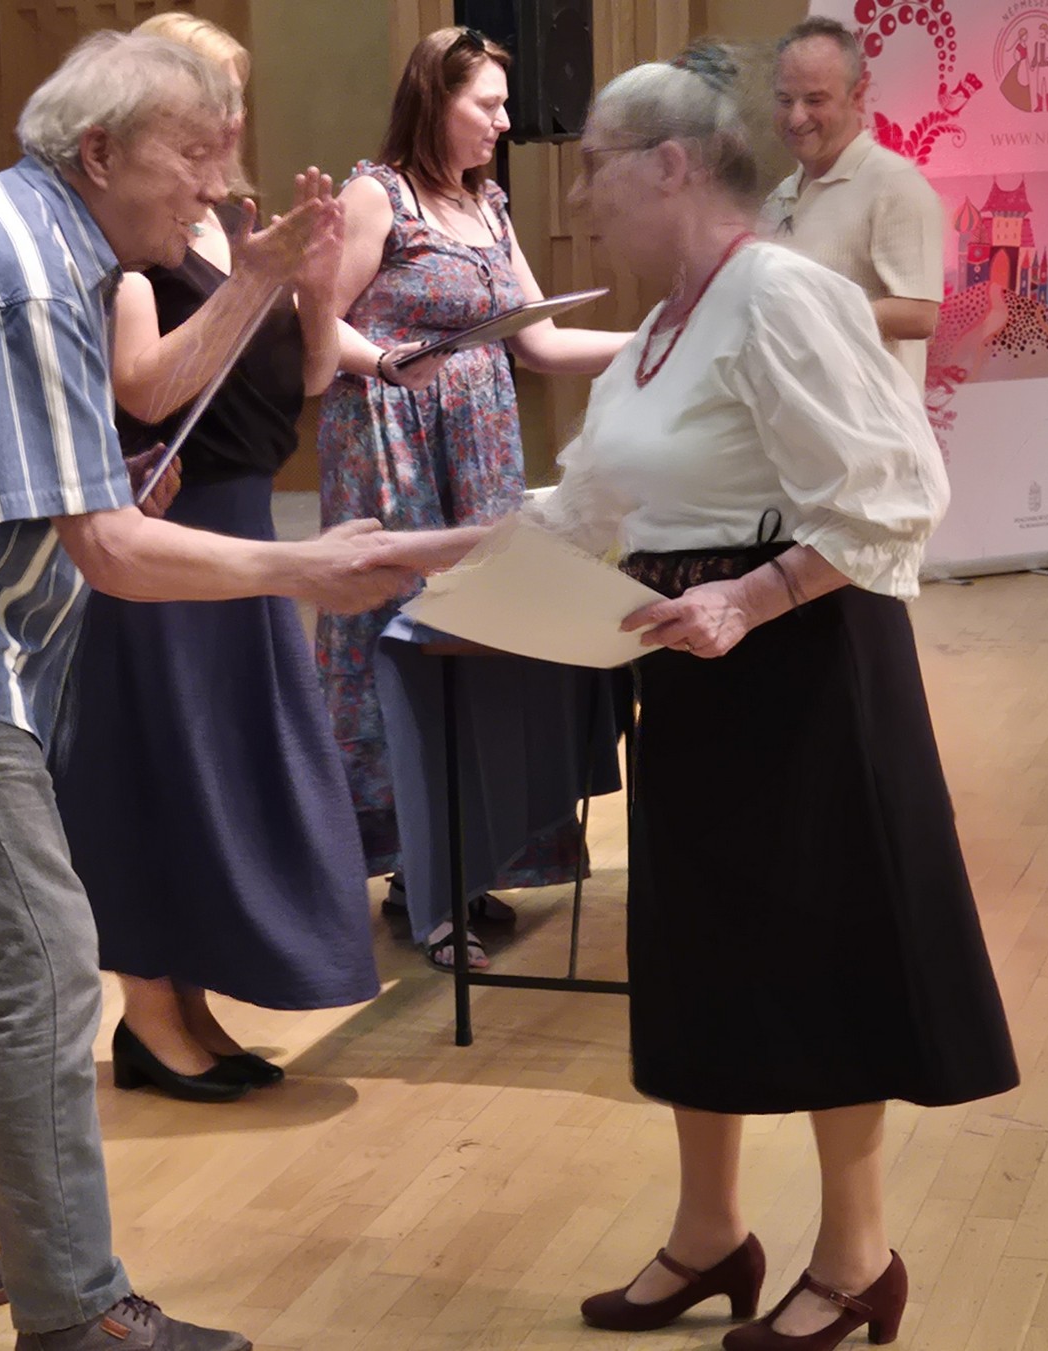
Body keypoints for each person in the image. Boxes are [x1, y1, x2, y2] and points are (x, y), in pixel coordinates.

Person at [0, 31, 410, 1351]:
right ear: (99, 151)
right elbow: (107, 548)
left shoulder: (30, 231)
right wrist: (302, 565)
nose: (219, 185)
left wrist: (258, 278)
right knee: (48, 963)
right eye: (196, 153)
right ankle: (77, 1311)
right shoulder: (30, 271)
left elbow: (82, 440)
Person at [366, 46, 1019, 1351]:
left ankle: (857, 1257)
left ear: (671, 165)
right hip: (692, 663)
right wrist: (412, 557)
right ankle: (710, 1231)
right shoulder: (669, 323)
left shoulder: (781, 293)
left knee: (826, 949)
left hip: (805, 659)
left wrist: (751, 598)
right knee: (699, 948)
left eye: (597, 166)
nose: (577, 195)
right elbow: (594, 504)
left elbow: (898, 492)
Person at [51, 11, 379, 1106]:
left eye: (231, 98)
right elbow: (145, 391)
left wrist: (315, 285)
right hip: (166, 546)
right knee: (160, 776)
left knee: (223, 780)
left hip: (242, 529)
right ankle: (150, 1016)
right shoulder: (134, 255)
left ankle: (189, 1007)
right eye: (205, 102)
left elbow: (312, 379)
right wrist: (255, 281)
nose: (228, 124)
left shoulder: (234, 233)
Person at [317, 25, 631, 970]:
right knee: (406, 645)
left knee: (480, 641)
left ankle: (456, 862)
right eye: (486, 104)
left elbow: (538, 344)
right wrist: (387, 362)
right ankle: (417, 877)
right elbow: (312, 322)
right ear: (434, 99)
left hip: (479, 446)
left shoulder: (487, 205)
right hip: (395, 447)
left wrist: (659, 338)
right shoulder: (377, 195)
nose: (502, 121)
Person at [758, 18, 943, 390]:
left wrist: (813, 315)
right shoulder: (779, 196)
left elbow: (920, 315)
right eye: (784, 100)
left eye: (815, 100)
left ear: (857, 96)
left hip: (870, 425)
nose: (796, 117)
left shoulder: (895, 185)